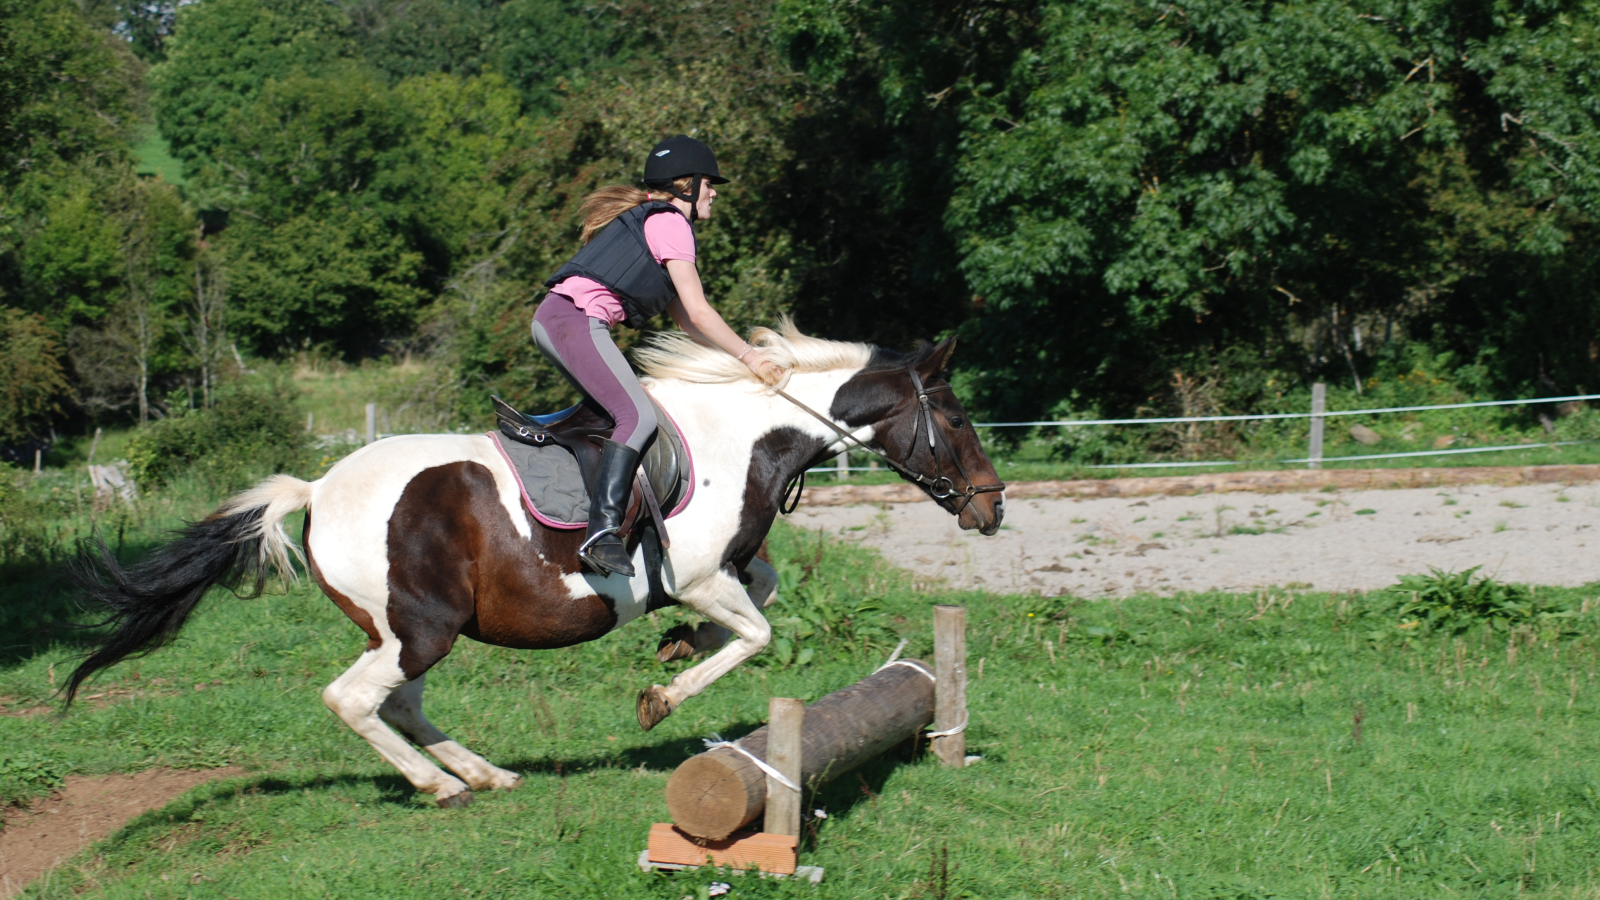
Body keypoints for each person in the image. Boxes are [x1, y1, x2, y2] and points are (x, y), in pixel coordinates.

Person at [534, 134, 787, 578]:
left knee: (621, 413)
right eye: (709, 183)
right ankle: (602, 532)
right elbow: (702, 311)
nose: (714, 192)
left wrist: (734, 363)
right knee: (639, 418)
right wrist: (752, 357)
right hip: (573, 321)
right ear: (685, 185)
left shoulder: (657, 222)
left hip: (561, 319)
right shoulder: (671, 222)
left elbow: (688, 321)